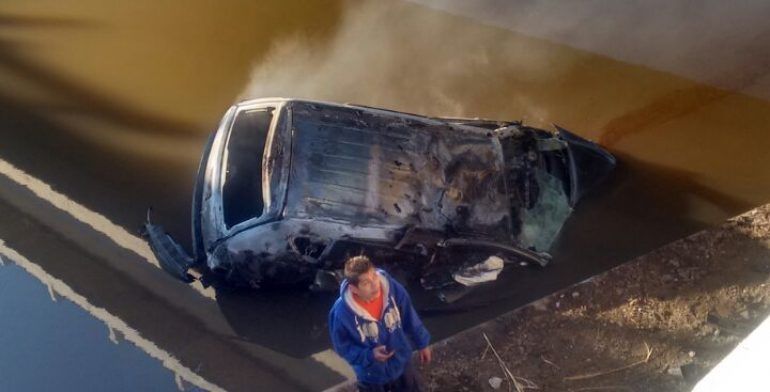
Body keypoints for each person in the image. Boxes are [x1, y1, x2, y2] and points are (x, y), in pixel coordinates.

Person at [328, 255, 432, 391]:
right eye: (366, 283)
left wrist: (422, 343)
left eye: (374, 276)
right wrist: (369, 355)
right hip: (371, 375)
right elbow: (343, 347)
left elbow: (409, 316)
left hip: (401, 362)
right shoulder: (341, 313)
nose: (375, 285)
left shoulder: (392, 288)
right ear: (354, 289)